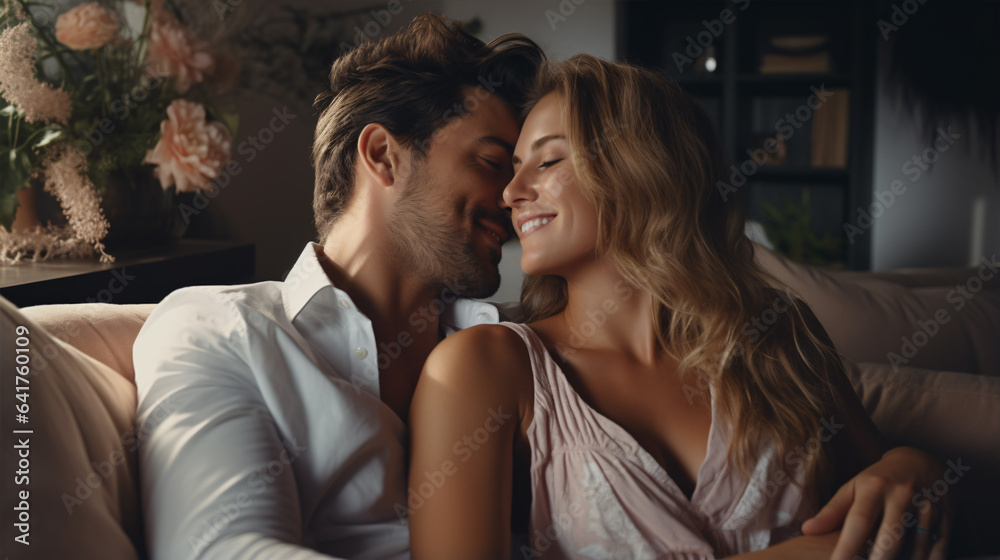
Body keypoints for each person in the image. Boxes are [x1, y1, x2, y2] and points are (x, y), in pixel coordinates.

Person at [407, 55, 951, 560]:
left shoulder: (776, 333)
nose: (511, 193)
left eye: (547, 160)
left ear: (641, 169)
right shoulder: (485, 367)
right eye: (512, 167)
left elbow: (884, 496)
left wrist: (913, 464)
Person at [132, 14, 543, 559]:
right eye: (494, 162)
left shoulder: (522, 344)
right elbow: (223, 549)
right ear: (382, 155)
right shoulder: (222, 330)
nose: (517, 195)